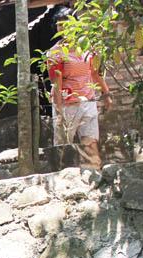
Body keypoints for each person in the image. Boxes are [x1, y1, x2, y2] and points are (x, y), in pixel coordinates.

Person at [47, 6, 113, 169]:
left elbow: (95, 72)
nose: (62, 27)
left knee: (90, 144)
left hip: (88, 102)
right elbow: (57, 83)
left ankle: (94, 177)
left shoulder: (87, 48)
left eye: (66, 23)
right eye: (59, 24)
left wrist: (106, 94)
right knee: (63, 148)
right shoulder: (55, 53)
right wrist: (59, 111)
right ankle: (64, 182)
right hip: (66, 105)